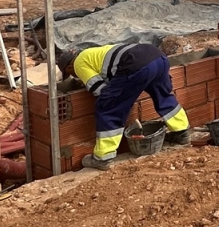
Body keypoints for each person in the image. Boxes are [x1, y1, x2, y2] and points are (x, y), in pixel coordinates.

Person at [56, 42, 191, 170]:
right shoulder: (93, 53)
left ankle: (103, 157)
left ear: (69, 67)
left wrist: (119, 99)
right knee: (163, 96)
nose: (74, 76)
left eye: (70, 74)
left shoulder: (79, 63)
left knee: (108, 106)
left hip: (137, 64)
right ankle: (182, 133)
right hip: (158, 57)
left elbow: (99, 90)